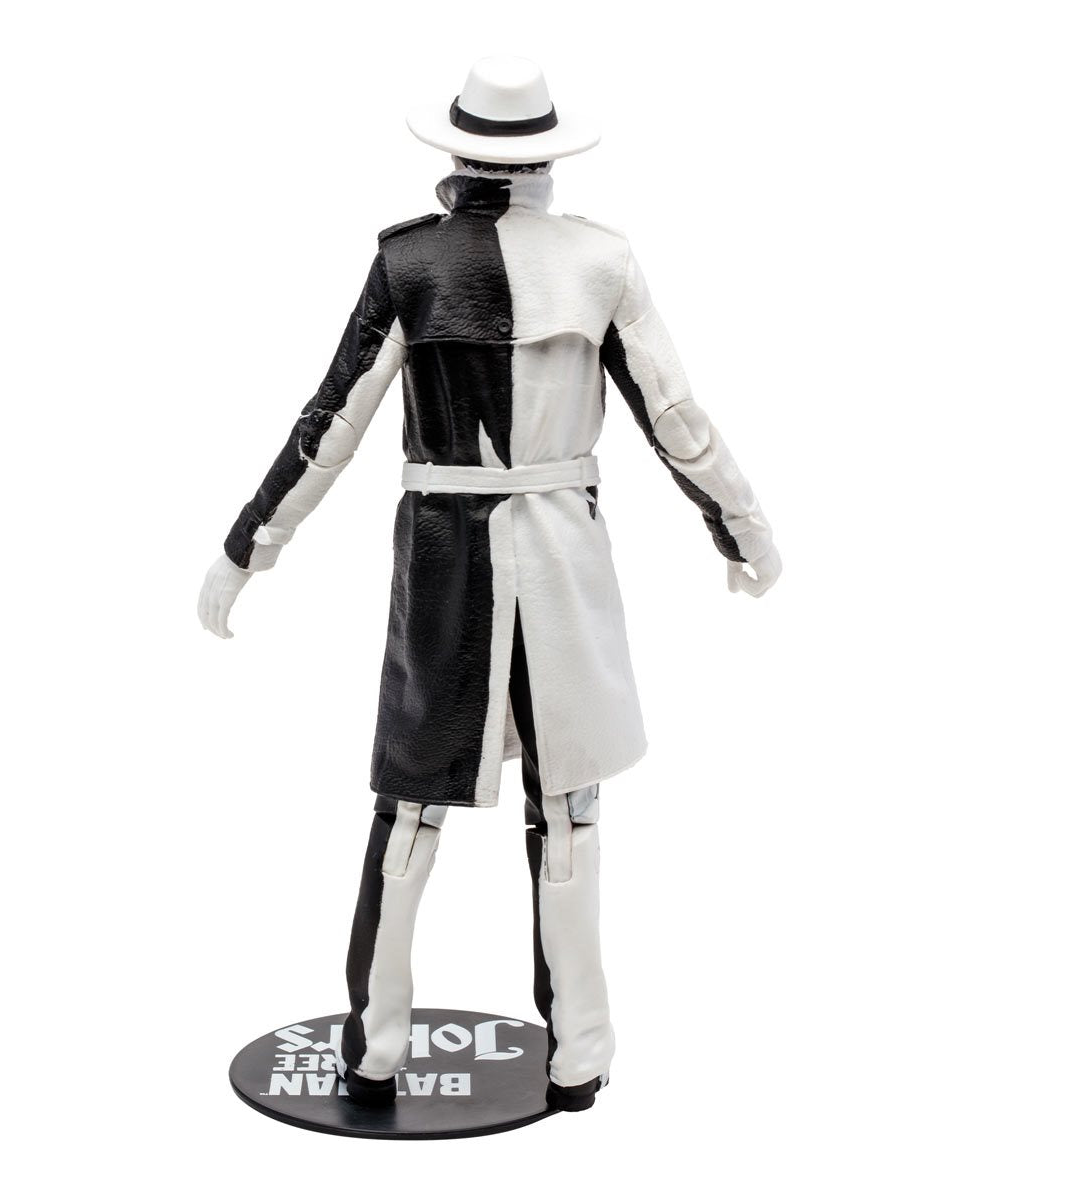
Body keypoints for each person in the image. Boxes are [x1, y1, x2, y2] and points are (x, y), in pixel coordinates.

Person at [197, 55, 781, 1112]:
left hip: (447, 556)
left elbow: (331, 423)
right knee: (570, 807)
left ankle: (377, 1049)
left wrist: (250, 545)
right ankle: (580, 1053)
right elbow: (676, 418)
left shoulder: (411, 261)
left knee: (411, 805)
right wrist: (739, 526)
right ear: (548, 156)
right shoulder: (600, 261)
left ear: (456, 150)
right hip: (562, 553)